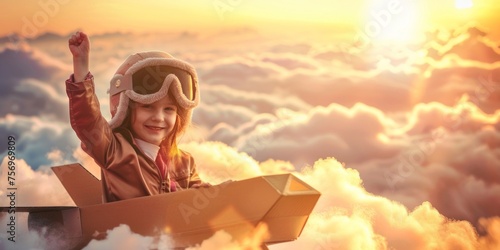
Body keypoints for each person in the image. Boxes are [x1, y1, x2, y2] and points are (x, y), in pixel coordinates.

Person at [66, 31, 210, 202]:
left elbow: (196, 193)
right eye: (147, 106)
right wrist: (81, 66)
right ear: (125, 109)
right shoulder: (114, 151)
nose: (159, 117)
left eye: (169, 109)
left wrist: (204, 192)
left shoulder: (185, 162)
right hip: (126, 228)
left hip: (174, 227)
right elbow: (88, 122)